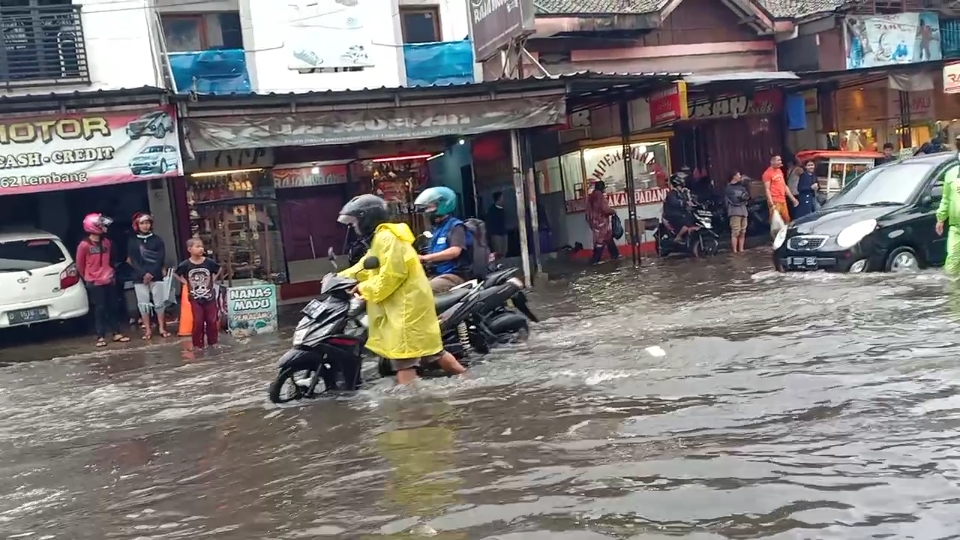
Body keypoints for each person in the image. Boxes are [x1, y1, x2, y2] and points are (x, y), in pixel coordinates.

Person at [336, 194, 466, 385]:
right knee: (431, 352)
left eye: (356, 221)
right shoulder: (381, 238)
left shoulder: (388, 238)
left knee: (404, 360)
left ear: (367, 219)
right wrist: (340, 278)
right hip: (406, 304)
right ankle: (467, 379)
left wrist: (364, 288)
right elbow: (366, 265)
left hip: (406, 306)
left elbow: (391, 276)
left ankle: (409, 404)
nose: (354, 227)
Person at [76, 213, 130, 348]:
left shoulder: (107, 242)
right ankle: (100, 336)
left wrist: (110, 273)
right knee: (100, 309)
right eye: (101, 225)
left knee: (113, 306)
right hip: (94, 282)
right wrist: (89, 277)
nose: (104, 227)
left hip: (109, 280)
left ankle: (116, 333)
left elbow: (112, 259)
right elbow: (80, 264)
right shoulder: (84, 245)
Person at [413, 186, 471, 294]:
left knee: (422, 291)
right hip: (438, 274)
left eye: (430, 207)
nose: (427, 211)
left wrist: (425, 258)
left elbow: (455, 251)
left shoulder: (456, 226)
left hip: (454, 275)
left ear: (443, 205)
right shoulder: (436, 229)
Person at [128, 213, 170, 339]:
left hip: (156, 275)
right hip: (139, 277)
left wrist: (151, 273)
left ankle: (162, 327)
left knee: (159, 303)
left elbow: (160, 258)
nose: (145, 226)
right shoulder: (132, 241)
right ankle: (147, 330)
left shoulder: (157, 240)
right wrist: (143, 274)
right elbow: (132, 260)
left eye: (147, 223)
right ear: (137, 225)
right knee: (143, 304)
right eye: (142, 223)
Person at [175, 238, 221, 349]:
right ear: (190, 249)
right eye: (197, 246)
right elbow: (176, 273)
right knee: (198, 321)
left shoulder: (208, 262)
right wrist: (185, 282)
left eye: (201, 246)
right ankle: (197, 344)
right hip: (195, 298)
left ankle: (213, 342)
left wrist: (212, 279)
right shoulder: (185, 264)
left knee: (211, 320)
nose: (201, 249)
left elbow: (218, 269)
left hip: (209, 296)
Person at [586, 180, 620, 264]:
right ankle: (595, 260)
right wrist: (613, 211)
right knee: (601, 240)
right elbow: (605, 209)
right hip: (600, 222)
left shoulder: (591, 197)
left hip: (593, 222)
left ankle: (615, 255)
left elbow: (587, 211)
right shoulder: (600, 196)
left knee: (608, 238)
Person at [936, 164, 960, 277]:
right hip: (956, 226)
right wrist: (941, 218)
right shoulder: (951, 174)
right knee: (952, 260)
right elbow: (946, 199)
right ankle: (953, 292)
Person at [762, 155, 798, 224]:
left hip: (783, 200)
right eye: (778, 160)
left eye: (780, 160)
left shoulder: (779, 171)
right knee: (776, 222)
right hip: (775, 201)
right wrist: (771, 203)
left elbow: (784, 186)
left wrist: (793, 199)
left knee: (786, 220)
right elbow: (767, 189)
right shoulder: (767, 173)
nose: (780, 162)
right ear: (772, 161)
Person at [663, 173, 696, 243]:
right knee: (688, 222)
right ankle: (679, 236)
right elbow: (675, 203)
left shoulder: (683, 192)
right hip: (672, 215)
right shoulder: (672, 194)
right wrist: (685, 203)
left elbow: (690, 200)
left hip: (681, 214)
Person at [724, 171, 750, 253]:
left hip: (743, 211)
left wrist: (743, 197)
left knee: (743, 231)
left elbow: (747, 196)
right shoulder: (728, 188)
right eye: (738, 175)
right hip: (734, 212)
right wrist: (742, 197)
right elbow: (734, 200)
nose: (740, 177)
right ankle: (735, 250)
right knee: (736, 231)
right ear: (733, 176)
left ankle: (741, 249)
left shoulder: (742, 187)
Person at [486, 191, 508, 258]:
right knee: (498, 252)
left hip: (503, 233)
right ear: (498, 199)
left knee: (504, 251)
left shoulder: (503, 209)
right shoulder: (491, 210)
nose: (503, 199)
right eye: (502, 197)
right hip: (495, 234)